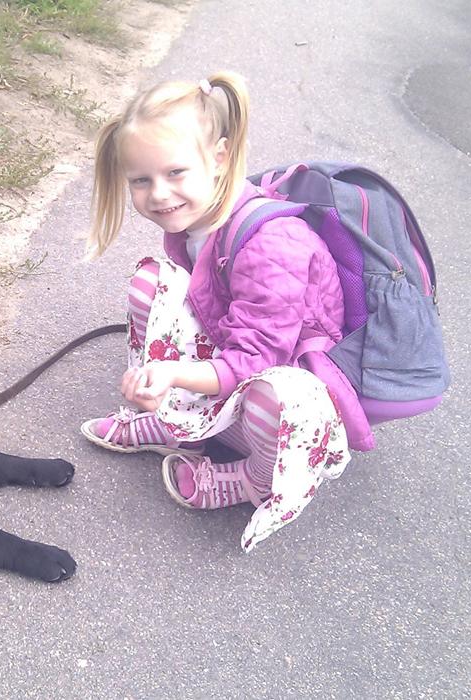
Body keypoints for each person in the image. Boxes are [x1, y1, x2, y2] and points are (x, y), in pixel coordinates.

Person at [80, 71, 352, 552]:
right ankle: (176, 425)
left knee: (281, 394)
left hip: (290, 391)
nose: (158, 195)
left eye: (174, 173)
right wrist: (169, 377)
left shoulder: (271, 244)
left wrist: (171, 370)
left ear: (220, 157)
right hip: (235, 355)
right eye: (141, 181)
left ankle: (254, 480)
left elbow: (259, 361)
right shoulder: (196, 222)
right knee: (153, 282)